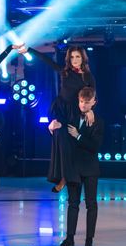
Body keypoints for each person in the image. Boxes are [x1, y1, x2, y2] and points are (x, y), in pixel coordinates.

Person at [26, 45, 96, 192]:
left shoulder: (88, 76)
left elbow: (93, 95)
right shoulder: (65, 72)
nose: (74, 60)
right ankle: (63, 177)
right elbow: (46, 60)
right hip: (60, 110)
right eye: (72, 57)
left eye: (77, 56)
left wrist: (90, 110)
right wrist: (28, 50)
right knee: (60, 137)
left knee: (70, 143)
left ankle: (67, 177)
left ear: (83, 58)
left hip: (75, 112)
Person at [53, 87, 104, 246]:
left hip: (90, 168)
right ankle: (69, 239)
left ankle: (89, 241)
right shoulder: (72, 116)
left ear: (94, 102)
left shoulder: (98, 121)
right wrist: (52, 126)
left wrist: (78, 136)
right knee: (72, 203)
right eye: (81, 102)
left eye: (87, 102)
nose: (83, 105)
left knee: (91, 205)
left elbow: (95, 146)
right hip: (74, 167)